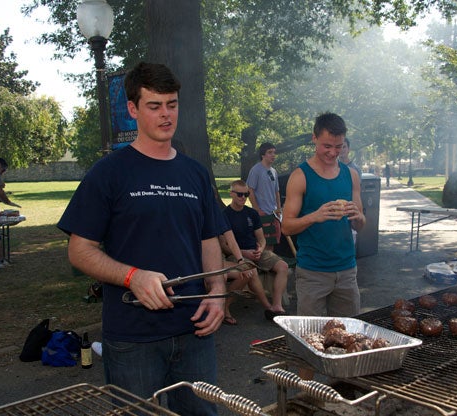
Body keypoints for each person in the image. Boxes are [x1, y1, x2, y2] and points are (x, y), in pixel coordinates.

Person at [57, 62, 225, 416]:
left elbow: (209, 239)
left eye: (172, 104)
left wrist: (216, 293)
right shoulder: (109, 173)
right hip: (133, 337)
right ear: (133, 109)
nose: (166, 115)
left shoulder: (195, 173)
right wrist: (133, 276)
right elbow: (79, 250)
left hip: (195, 331)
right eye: (154, 106)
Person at [282, 112, 365, 378]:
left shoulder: (350, 175)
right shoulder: (300, 175)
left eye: (338, 147)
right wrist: (315, 216)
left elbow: (361, 224)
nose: (332, 153)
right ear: (314, 138)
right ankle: (307, 398)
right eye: (327, 146)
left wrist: (357, 216)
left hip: (346, 271)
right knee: (309, 342)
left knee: (349, 338)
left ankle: (345, 389)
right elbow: (286, 226)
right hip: (313, 273)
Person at [223, 180, 288, 321]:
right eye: (240, 194)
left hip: (256, 251)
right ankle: (268, 308)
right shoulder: (225, 215)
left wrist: (261, 248)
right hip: (237, 255)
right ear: (231, 194)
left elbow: (261, 238)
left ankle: (277, 305)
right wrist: (243, 253)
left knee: (283, 266)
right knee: (249, 271)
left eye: (246, 194)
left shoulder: (251, 213)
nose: (243, 198)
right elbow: (224, 245)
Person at [246, 142, 282, 251]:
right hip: (262, 213)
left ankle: (271, 265)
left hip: (273, 213)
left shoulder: (274, 171)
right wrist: (257, 209)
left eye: (274, 152)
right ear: (263, 155)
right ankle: (263, 266)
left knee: (273, 241)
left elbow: (277, 191)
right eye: (270, 152)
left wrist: (278, 208)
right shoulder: (256, 170)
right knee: (263, 243)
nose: (273, 155)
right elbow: (250, 190)